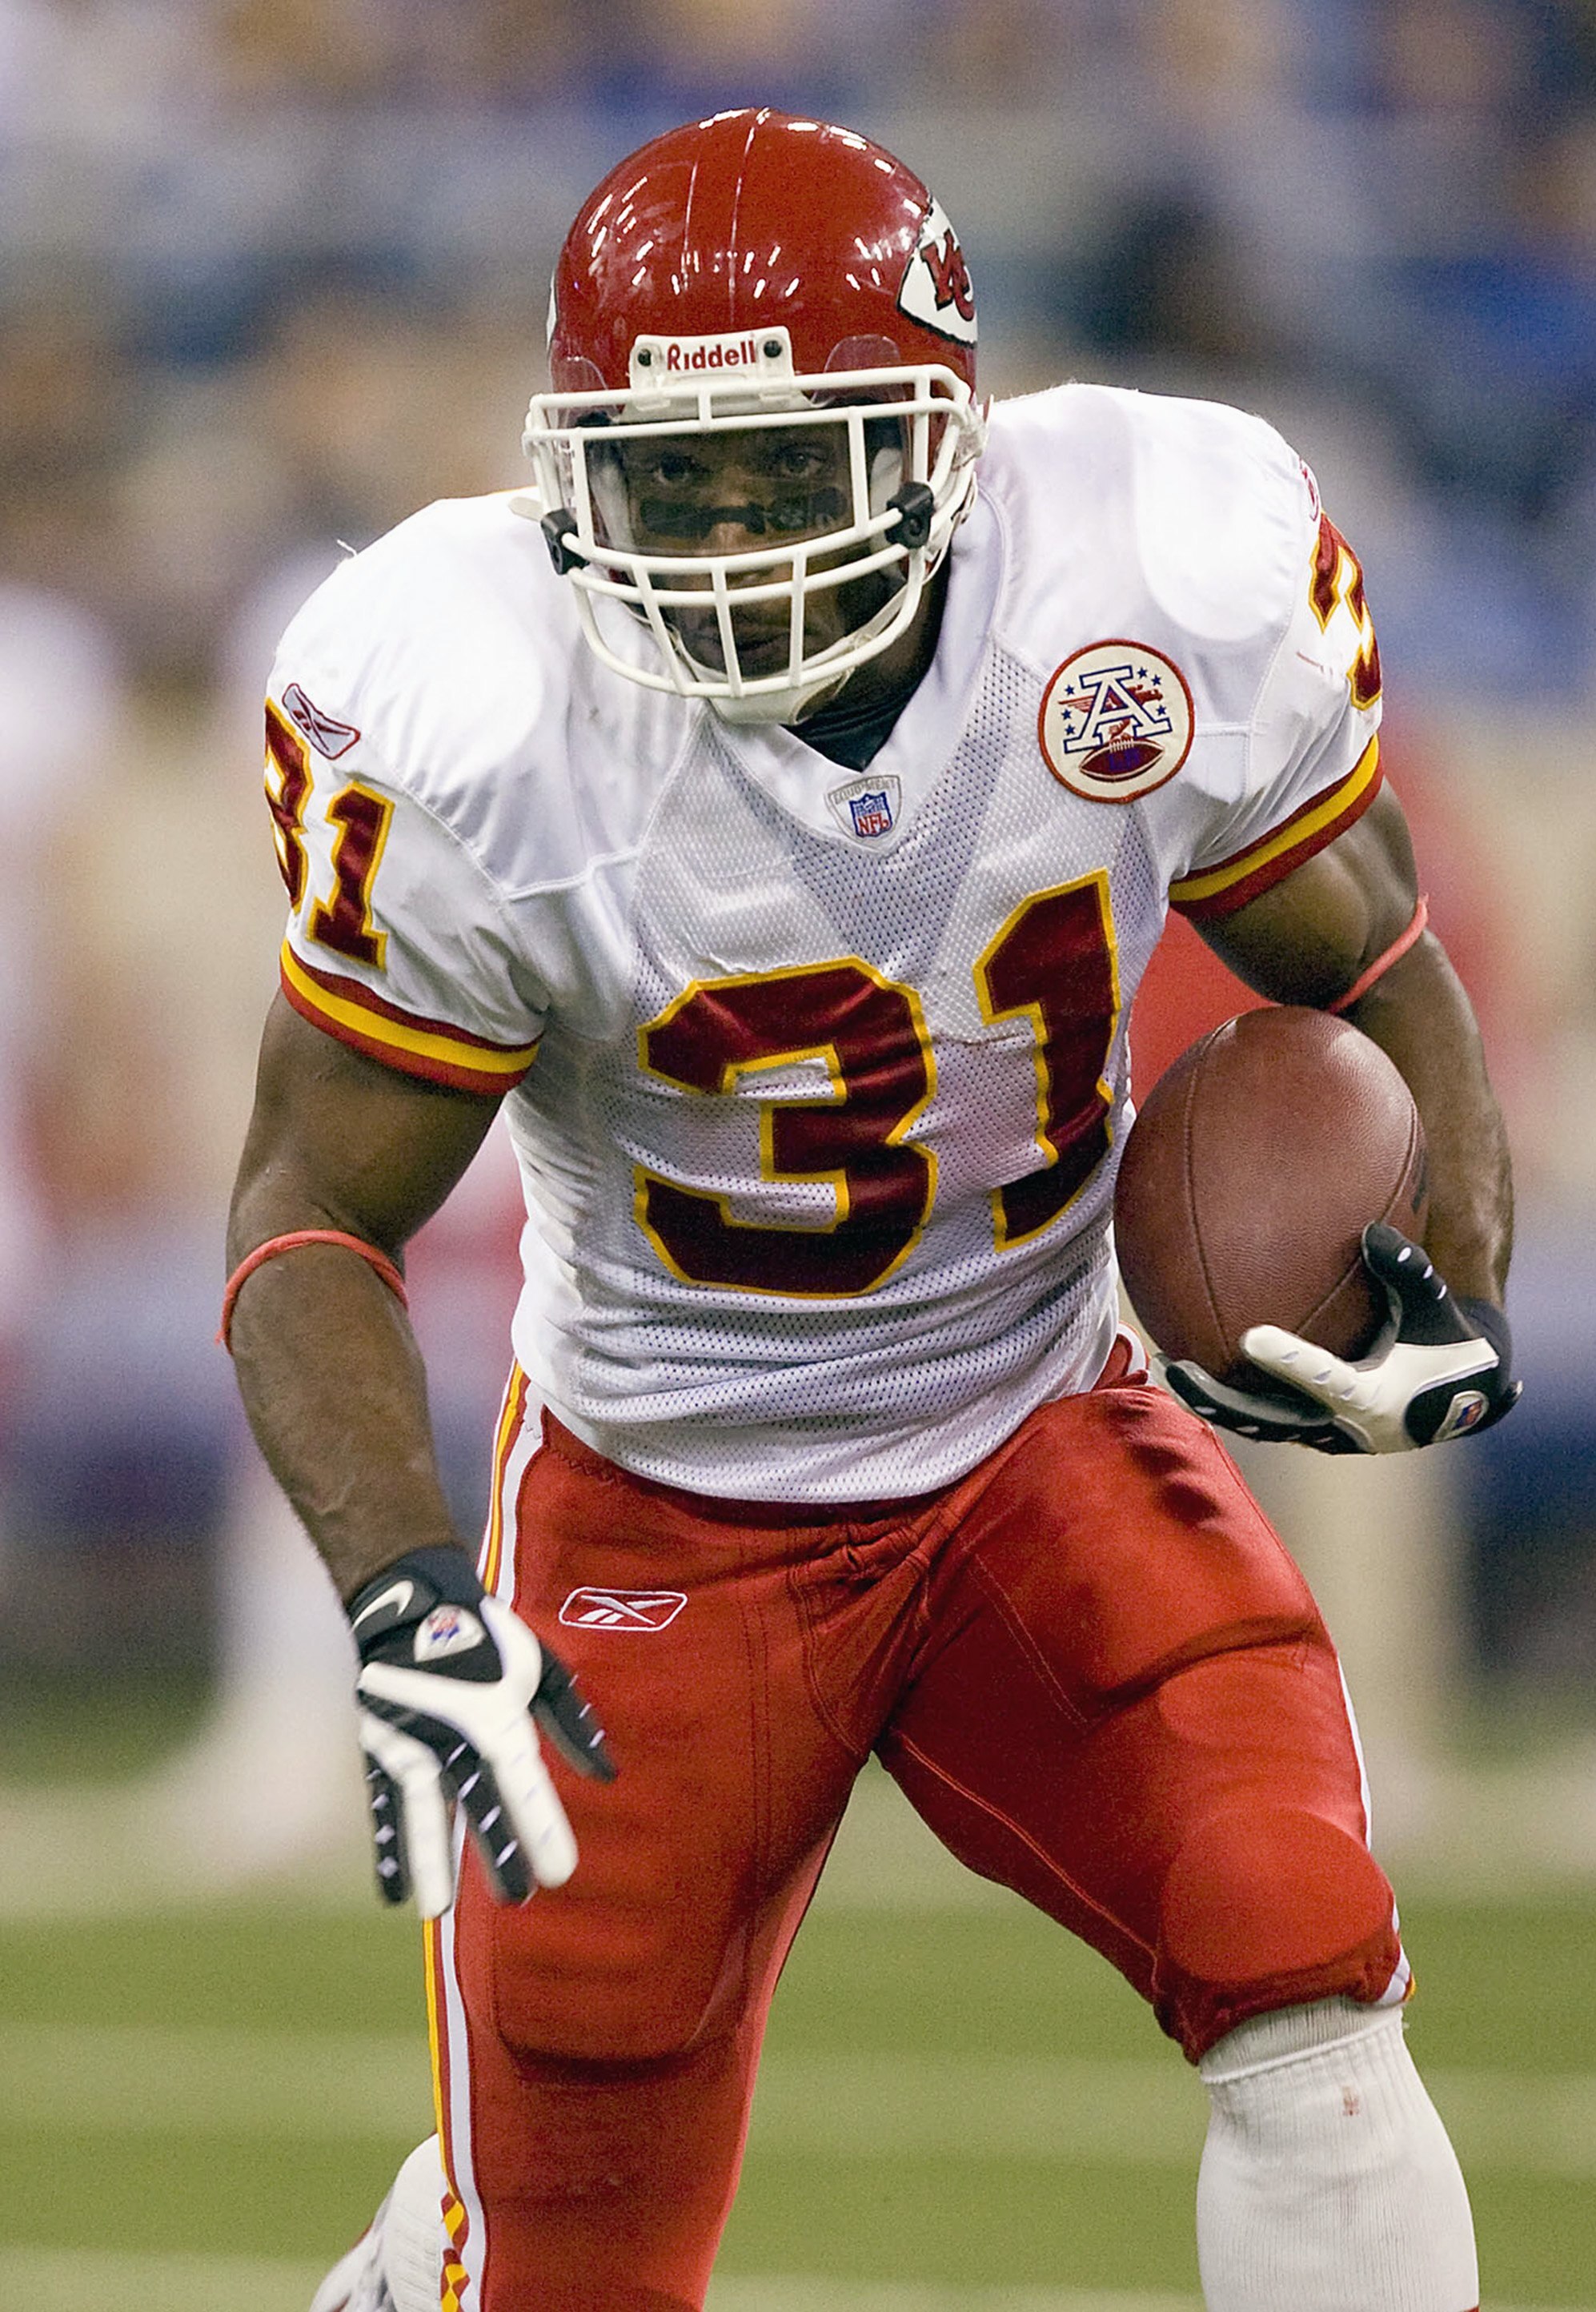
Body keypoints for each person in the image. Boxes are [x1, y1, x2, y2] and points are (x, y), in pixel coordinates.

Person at [223, 107, 1518, 2312]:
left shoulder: (1151, 572)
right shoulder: (464, 703)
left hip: (1036, 1434)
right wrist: (404, 1591)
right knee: (565, 2267)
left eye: (787, 465)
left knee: (1301, 1968)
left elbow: (1373, 968)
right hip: (657, 1503)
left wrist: (1449, 1280)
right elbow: (303, 1225)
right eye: (666, 479)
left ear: (947, 434)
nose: (723, 535)